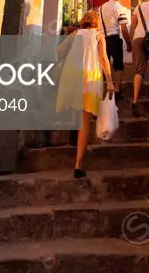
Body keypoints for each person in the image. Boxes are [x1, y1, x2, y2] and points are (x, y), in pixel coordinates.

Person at [56, 9, 113, 178]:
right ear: (96, 22)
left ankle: (73, 130)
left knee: (76, 107)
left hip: (71, 75)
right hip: (89, 76)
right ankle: (78, 165)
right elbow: (103, 58)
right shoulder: (97, 35)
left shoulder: (75, 35)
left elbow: (59, 51)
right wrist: (109, 81)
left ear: (84, 21)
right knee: (85, 120)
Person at [100, 0, 132, 100]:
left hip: (102, 39)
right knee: (118, 65)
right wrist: (128, 43)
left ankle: (103, 89)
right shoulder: (120, 8)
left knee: (104, 64)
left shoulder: (101, 7)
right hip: (114, 38)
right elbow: (124, 28)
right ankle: (117, 89)